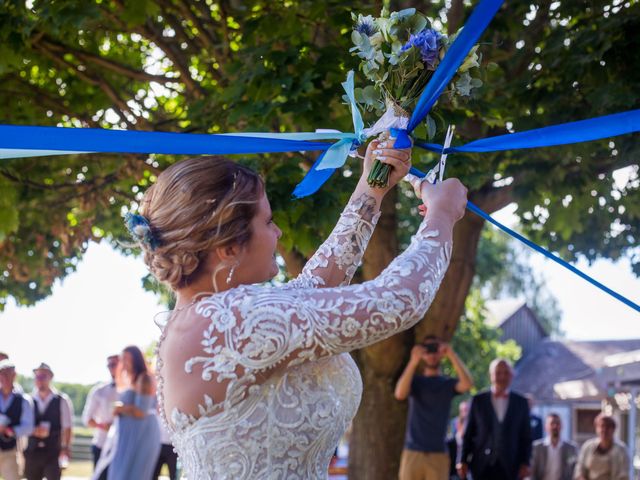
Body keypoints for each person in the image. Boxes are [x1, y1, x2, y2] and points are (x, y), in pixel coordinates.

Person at [126, 140, 467, 478]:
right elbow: (397, 301)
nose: (277, 232)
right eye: (267, 221)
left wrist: (374, 185)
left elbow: (317, 284)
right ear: (229, 247)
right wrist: (442, 214)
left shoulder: (207, 319)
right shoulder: (229, 320)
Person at [395, 336, 473, 480]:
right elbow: (399, 394)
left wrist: (451, 354)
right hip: (413, 453)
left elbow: (467, 384)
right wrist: (413, 360)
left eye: (435, 349)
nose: (432, 354)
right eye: (428, 349)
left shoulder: (447, 384)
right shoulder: (415, 381)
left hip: (438, 455)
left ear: (441, 352)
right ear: (422, 353)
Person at [93, 346, 161, 480]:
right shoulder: (131, 379)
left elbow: (142, 411)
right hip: (127, 436)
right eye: (122, 359)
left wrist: (121, 409)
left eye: (126, 358)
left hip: (140, 435)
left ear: (135, 359)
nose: (123, 362)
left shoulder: (144, 378)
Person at [458, 358, 532, 480]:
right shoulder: (478, 400)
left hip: (511, 466)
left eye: (506, 373)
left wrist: (526, 462)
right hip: (481, 465)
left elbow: (526, 436)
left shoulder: (521, 402)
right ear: (491, 375)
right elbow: (468, 434)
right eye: (498, 372)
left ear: (512, 375)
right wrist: (462, 460)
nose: (502, 376)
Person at [24, 363, 74, 480]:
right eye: (37, 377)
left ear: (50, 377)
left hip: (53, 452)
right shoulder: (27, 400)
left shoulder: (62, 400)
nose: (40, 380)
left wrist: (66, 447)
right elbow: (23, 425)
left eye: (43, 377)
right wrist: (33, 431)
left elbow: (68, 426)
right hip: (32, 452)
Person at [82, 355, 120, 472]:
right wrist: (104, 426)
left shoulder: (132, 389)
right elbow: (87, 419)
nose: (111, 368)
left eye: (114, 364)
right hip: (101, 444)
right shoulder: (99, 391)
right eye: (109, 365)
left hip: (122, 446)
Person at [0, 359, 34, 480]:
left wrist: (11, 431)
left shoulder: (24, 400)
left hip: (10, 450)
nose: (4, 377)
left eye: (8, 374)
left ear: (14, 375)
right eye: (2, 374)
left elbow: (29, 427)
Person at [574, 413, 629, 480]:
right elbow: (579, 471)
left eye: (608, 427)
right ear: (596, 428)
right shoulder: (588, 447)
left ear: (613, 429)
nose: (604, 430)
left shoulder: (621, 450)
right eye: (602, 426)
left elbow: (623, 475)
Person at [530, 413, 577, 480]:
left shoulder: (571, 448)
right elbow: (531, 471)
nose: (555, 426)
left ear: (562, 426)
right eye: (552, 423)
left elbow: (574, 470)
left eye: (557, 423)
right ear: (545, 427)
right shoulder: (537, 447)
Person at [153, 416, 178, 480]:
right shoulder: (156, 416)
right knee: (155, 473)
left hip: (172, 447)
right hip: (159, 446)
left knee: (173, 474)